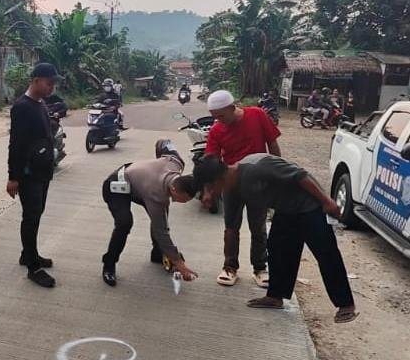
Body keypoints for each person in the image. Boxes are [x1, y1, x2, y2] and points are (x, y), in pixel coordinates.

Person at [193, 154, 358, 323]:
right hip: (285, 209)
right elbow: (230, 227)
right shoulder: (231, 189)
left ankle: (346, 305)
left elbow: (301, 176)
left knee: (326, 253)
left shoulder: (258, 168)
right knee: (277, 250)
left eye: (209, 188)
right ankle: (275, 296)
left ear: (218, 180)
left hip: (308, 206)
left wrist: (327, 201)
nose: (210, 193)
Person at [205, 89, 281, 288]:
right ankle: (230, 267)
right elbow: (211, 162)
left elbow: (272, 144)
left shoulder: (257, 115)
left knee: (258, 226)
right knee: (231, 226)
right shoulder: (216, 130)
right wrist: (209, 190)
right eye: (215, 117)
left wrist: (277, 174)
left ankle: (260, 268)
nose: (218, 121)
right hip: (231, 183)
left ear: (232, 108)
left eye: (221, 116)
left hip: (259, 182)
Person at [101, 140, 199, 286]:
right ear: (174, 189)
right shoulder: (156, 195)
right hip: (117, 184)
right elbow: (161, 232)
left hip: (140, 182)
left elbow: (164, 142)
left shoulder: (176, 162)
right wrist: (179, 262)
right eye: (183, 199)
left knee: (161, 216)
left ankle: (158, 253)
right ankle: (109, 265)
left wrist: (157, 163)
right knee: (124, 223)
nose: (184, 202)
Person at [7, 63, 62, 288]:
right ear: (36, 80)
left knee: (37, 214)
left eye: (53, 84)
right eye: (49, 83)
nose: (51, 87)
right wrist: (13, 177)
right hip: (28, 174)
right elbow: (16, 144)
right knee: (30, 218)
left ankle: (28, 253)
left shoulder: (40, 103)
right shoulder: (22, 107)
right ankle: (33, 267)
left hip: (42, 171)